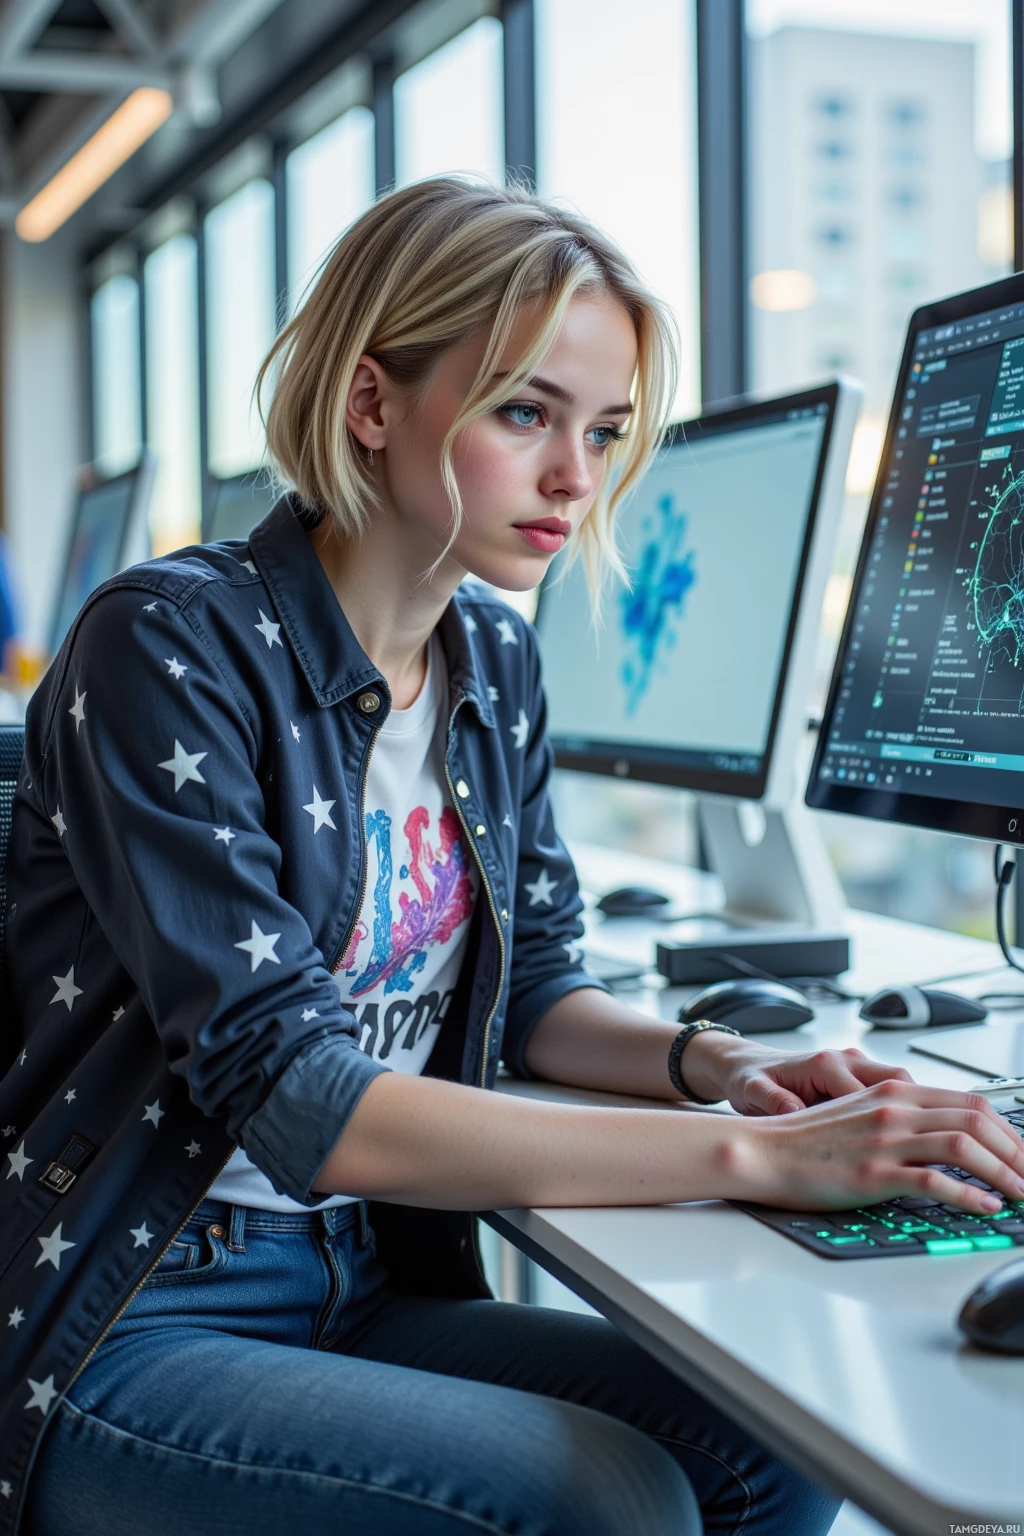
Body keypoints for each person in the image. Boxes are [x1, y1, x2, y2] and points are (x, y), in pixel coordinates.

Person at [3, 177, 1023, 1536]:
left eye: (601, 431)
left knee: (765, 1444)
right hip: (129, 1312)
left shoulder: (492, 658)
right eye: (525, 413)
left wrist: (728, 1071)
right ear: (371, 404)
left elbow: (535, 990)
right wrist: (760, 1164)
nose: (575, 479)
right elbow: (298, 1094)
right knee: (602, 1502)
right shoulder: (171, 646)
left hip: (355, 1278)